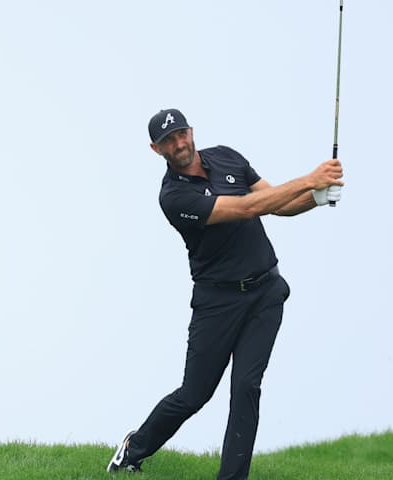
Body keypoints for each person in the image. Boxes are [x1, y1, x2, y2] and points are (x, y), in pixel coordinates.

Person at [106, 108, 344, 480]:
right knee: (194, 395)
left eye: (182, 133)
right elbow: (248, 207)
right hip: (217, 303)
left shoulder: (227, 157)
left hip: (265, 293)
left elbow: (275, 204)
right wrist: (310, 179)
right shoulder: (173, 197)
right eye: (169, 140)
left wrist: (316, 196)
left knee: (246, 387)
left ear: (191, 131)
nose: (179, 143)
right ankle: (134, 449)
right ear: (157, 150)